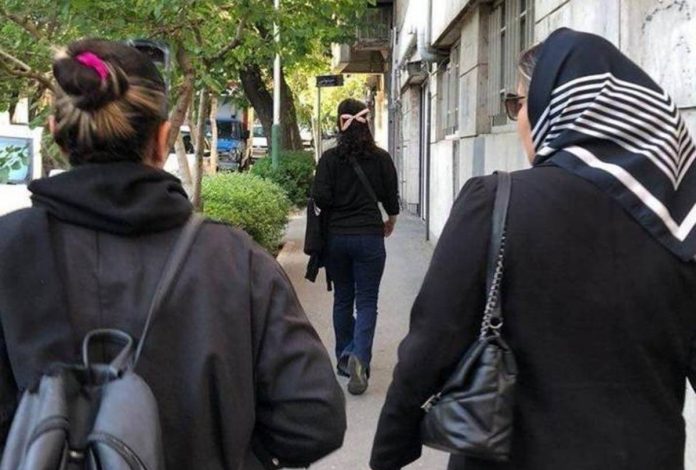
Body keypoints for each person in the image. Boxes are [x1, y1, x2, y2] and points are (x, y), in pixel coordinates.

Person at [0, 39, 346, 469]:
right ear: (163, 138)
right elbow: (314, 420)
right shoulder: (235, 259)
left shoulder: (8, 248)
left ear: (55, 133)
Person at [371, 27, 696, 470]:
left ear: (553, 109)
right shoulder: (680, 219)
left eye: (519, 104)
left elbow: (431, 343)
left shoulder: (496, 203)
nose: (518, 119)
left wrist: (390, 448)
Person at [312, 98, 399, 395]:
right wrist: (391, 221)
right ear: (366, 123)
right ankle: (360, 356)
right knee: (367, 302)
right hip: (370, 239)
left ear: (340, 124)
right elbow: (391, 198)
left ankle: (343, 359)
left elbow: (320, 198)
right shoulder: (381, 158)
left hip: (337, 240)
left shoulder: (329, 159)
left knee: (342, 299)